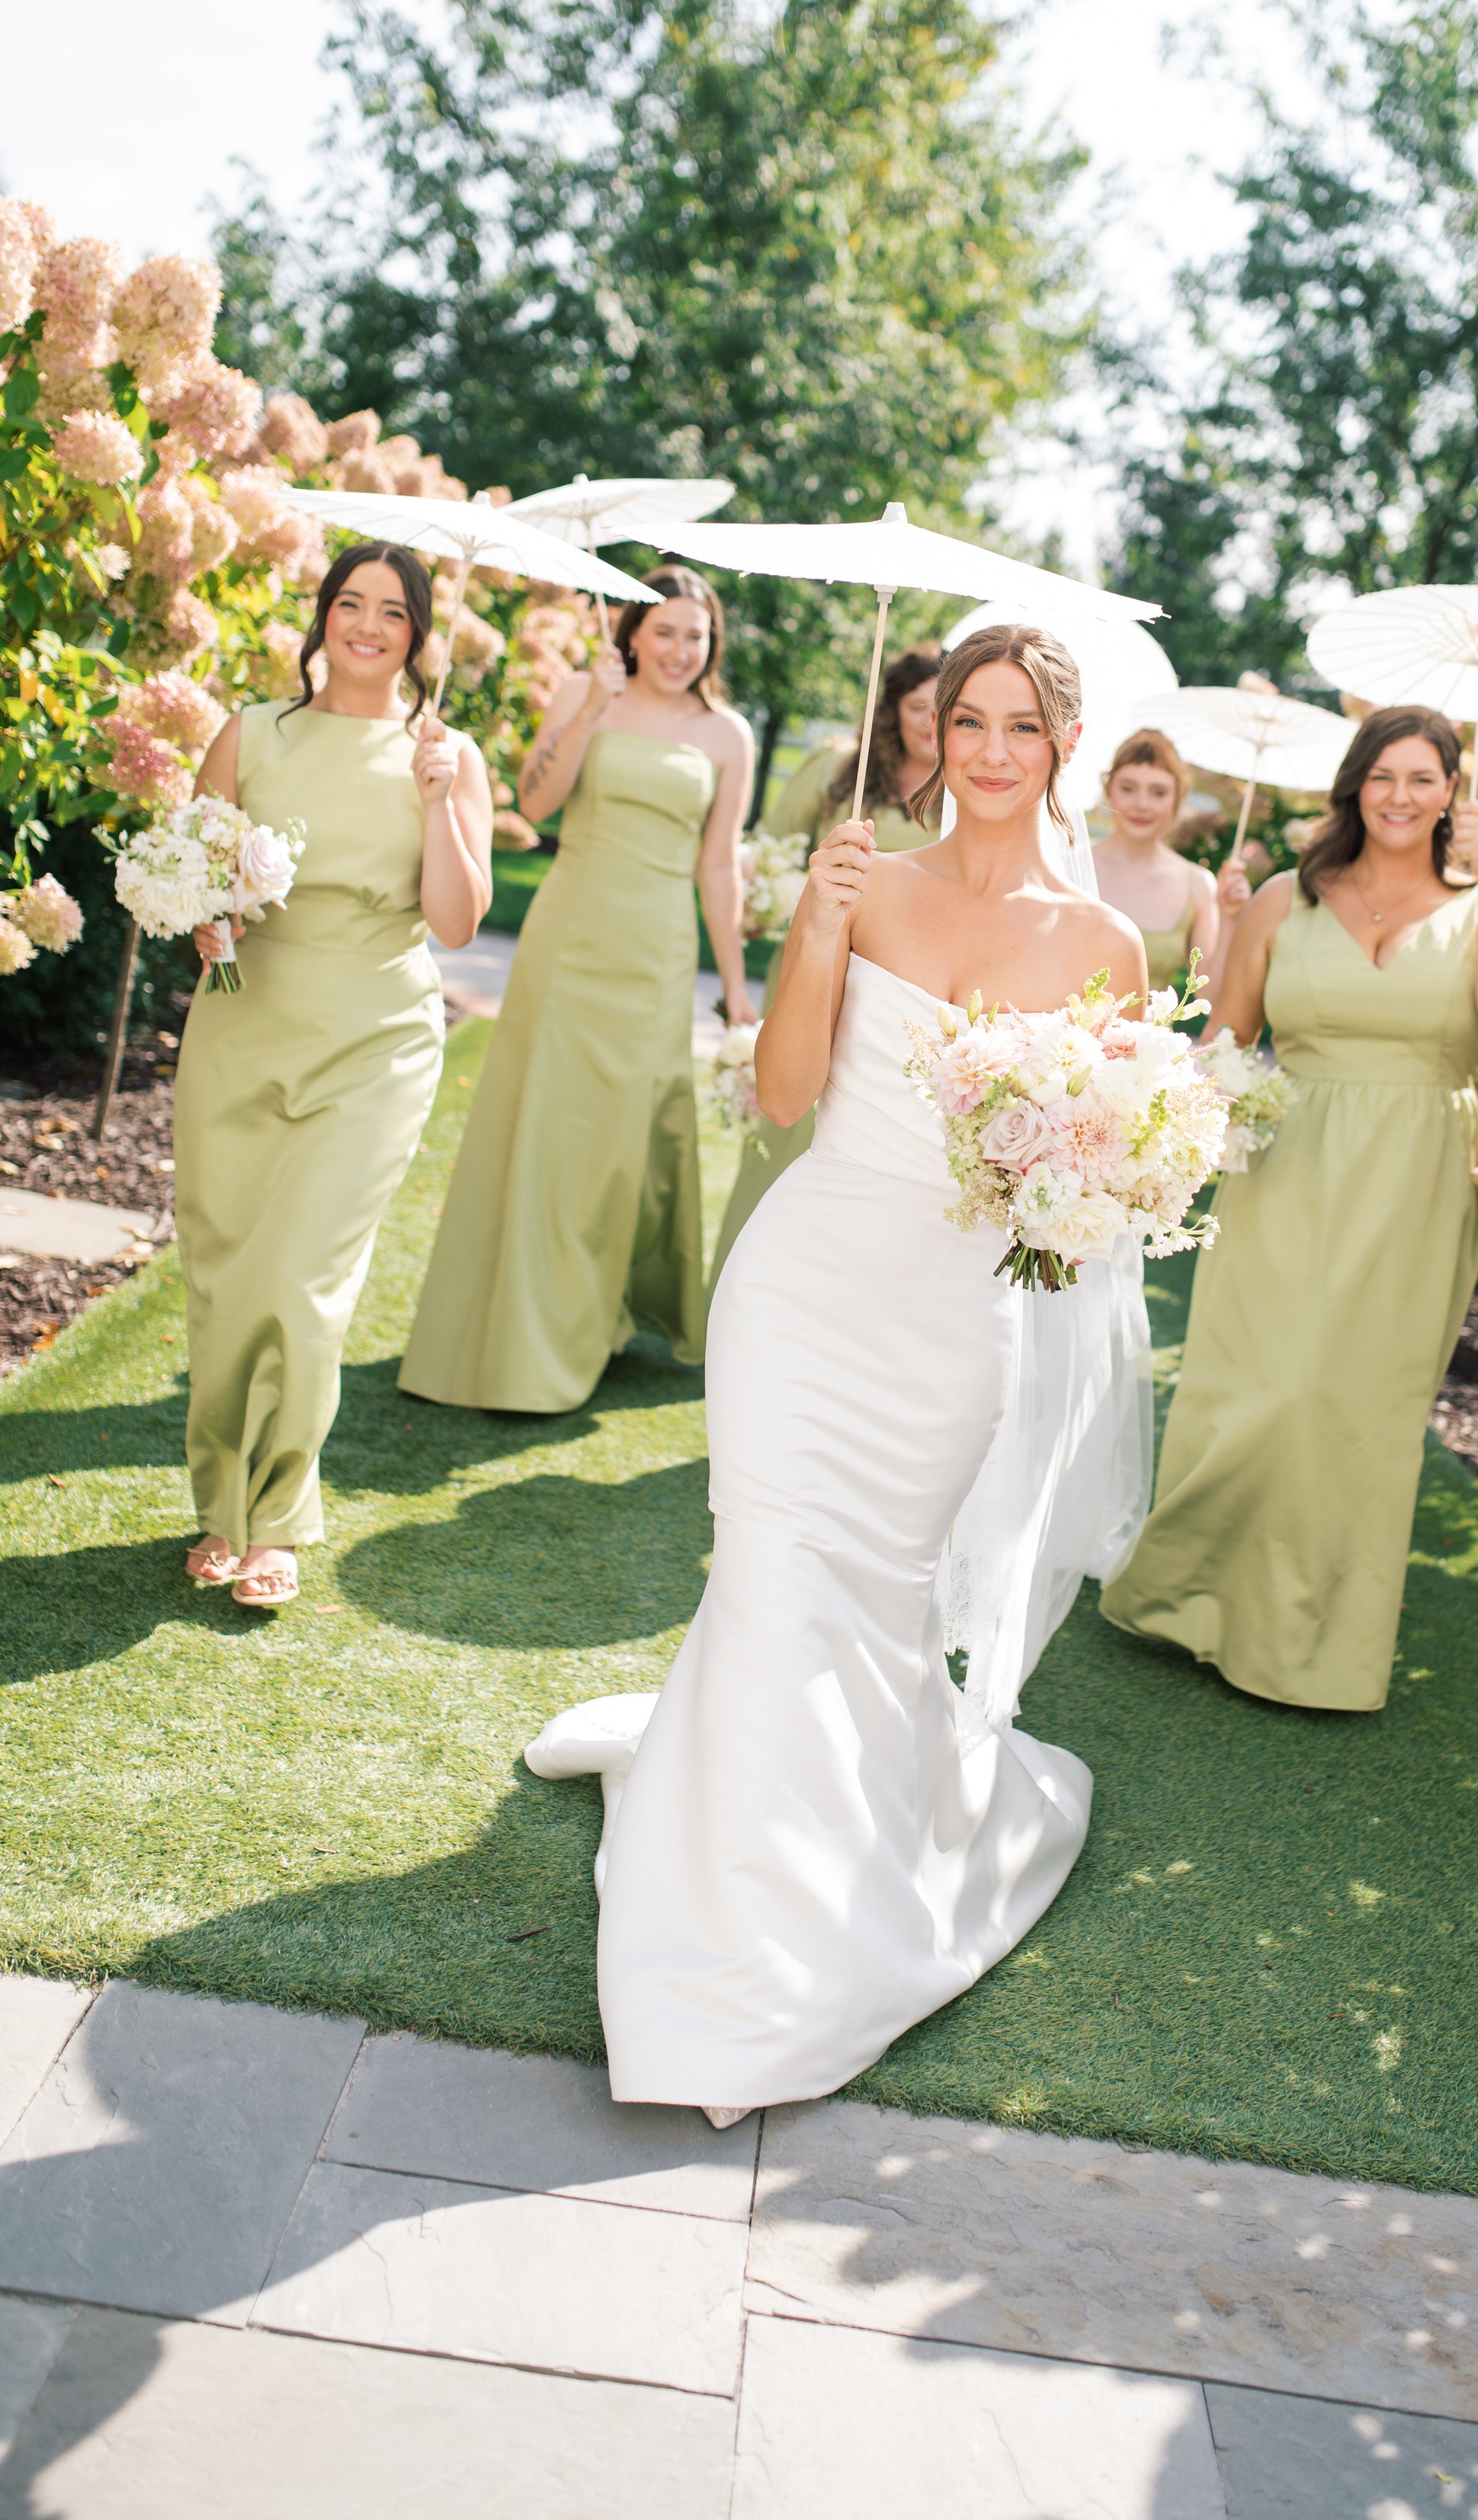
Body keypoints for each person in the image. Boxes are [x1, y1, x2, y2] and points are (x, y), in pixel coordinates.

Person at [527, 624, 1148, 2122]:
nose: (989, 750)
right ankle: (733, 1961)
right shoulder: (870, 879)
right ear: (928, 732)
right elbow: (786, 1093)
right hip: (801, 1288)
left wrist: (1065, 1181)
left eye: (1019, 726)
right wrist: (815, 926)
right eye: (966, 721)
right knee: (764, 1581)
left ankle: (842, 1869)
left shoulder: (1104, 949)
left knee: (867, 1606)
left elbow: (1102, 1185)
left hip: (949, 1328)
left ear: (1059, 745)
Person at [1100, 705, 1478, 1710]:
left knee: (1357, 1403)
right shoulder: (1284, 899)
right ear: (1354, 785)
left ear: (1451, 794)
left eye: (1424, 779)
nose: (1401, 796)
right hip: (1287, 1167)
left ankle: (1317, 1647)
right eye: (1384, 776)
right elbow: (1225, 1037)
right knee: (1262, 1380)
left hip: (1418, 1182)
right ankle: (1191, 1597)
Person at [176, 542, 492, 1610]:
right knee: (226, 1277)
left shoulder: (449, 753)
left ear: (417, 633)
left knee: (301, 1285)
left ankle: (277, 1518)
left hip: (376, 1040)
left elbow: (455, 922)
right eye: (350, 603)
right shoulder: (250, 733)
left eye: (392, 611)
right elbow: (195, 891)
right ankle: (220, 1505)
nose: (368, 624)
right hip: (243, 1026)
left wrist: (442, 798)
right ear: (323, 616)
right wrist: (211, 922)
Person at [399, 567, 752, 1411]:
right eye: (663, 631)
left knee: (620, 1135)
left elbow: (716, 864)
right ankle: (517, 1330)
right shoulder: (582, 694)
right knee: (549, 1123)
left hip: (659, 948)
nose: (678, 649)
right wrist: (592, 706)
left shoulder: (727, 733)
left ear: (711, 643)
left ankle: (597, 1316)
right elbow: (535, 800)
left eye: (694, 635)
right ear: (632, 632)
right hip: (570, 932)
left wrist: (736, 986)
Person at [707, 645, 942, 1289]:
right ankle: (742, 1293)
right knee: (784, 1131)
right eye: (917, 706)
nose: (930, 721)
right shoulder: (839, 771)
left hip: (894, 998)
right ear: (892, 710)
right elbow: (773, 850)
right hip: (813, 966)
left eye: (942, 709)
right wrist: (787, 893)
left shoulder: (957, 801)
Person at [1089, 727, 1223, 992]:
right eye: (1128, 788)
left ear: (1177, 798)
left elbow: (1209, 993)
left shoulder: (1197, 883)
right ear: (1109, 789)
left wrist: (1229, 917)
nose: (1142, 804)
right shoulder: (1068, 864)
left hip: (1155, 1033)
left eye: (1158, 793)